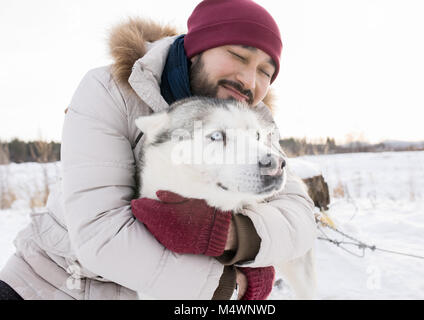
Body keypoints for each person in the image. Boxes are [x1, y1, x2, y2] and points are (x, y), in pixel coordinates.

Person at [0, 0, 317, 300]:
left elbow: (298, 219)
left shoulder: (253, 119)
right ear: (198, 50)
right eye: (239, 55)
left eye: (266, 71)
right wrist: (226, 286)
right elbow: (102, 236)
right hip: (52, 284)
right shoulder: (111, 91)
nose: (249, 80)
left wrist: (230, 236)